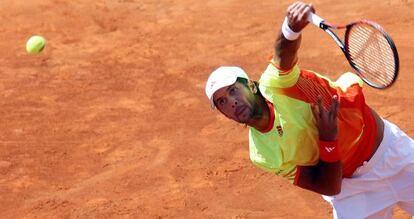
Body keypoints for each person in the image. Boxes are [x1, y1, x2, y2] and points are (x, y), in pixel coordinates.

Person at [205, 2, 414, 218]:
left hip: (394, 153)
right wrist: (328, 139)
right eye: (221, 102)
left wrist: (291, 28)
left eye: (233, 90)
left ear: (250, 85)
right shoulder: (263, 154)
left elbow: (282, 55)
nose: (231, 102)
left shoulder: (277, 84)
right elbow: (328, 186)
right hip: (353, 192)